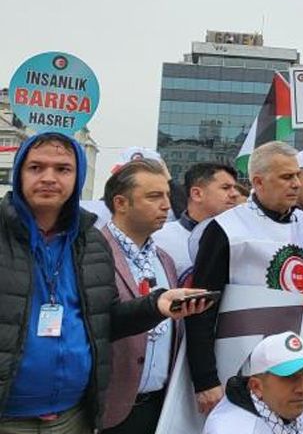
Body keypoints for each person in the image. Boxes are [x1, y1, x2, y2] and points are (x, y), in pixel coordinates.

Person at [0, 133, 211, 433]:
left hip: (72, 417)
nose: (49, 177)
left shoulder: (91, 242)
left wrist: (156, 305)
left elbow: (104, 322)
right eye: (36, 167)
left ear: (78, 176)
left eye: (62, 169)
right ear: (18, 173)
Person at [186, 142, 303, 415]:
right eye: (287, 177)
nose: (297, 184)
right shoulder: (225, 228)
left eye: (298, 175)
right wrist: (204, 379)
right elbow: (201, 308)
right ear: (258, 181)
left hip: (295, 359)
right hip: (238, 361)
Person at [99, 159, 185, 434]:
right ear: (121, 203)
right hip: (108, 412)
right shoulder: (91, 253)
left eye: (167, 196)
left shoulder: (165, 260)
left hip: (159, 407)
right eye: (154, 196)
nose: (166, 206)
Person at [153, 162, 239, 280]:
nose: (235, 194)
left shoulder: (240, 239)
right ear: (197, 194)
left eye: (235, 188)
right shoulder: (158, 239)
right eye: (225, 188)